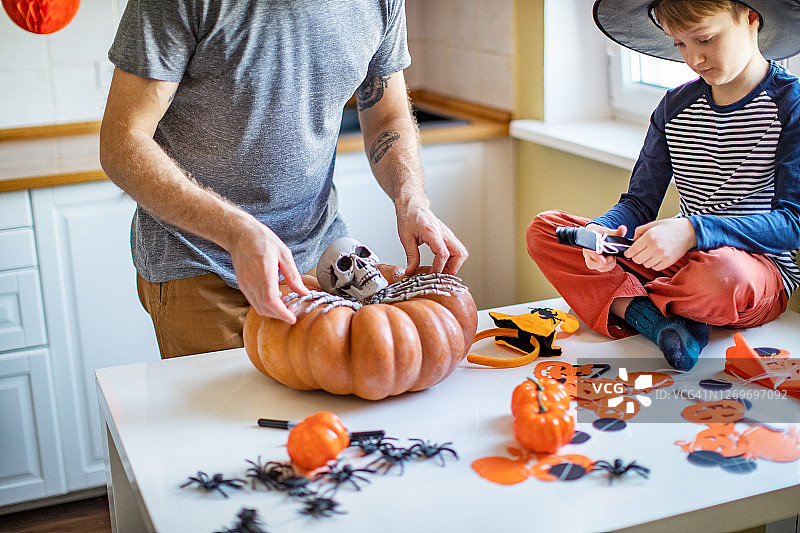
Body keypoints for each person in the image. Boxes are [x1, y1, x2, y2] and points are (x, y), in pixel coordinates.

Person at [99, 0, 467, 359]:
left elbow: (387, 116)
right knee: (232, 419)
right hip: (204, 264)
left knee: (322, 413)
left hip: (322, 257)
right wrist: (236, 230)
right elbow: (123, 142)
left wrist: (411, 201)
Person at [527, 0, 800, 371]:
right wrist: (602, 232)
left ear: (751, 19)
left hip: (752, 271)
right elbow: (639, 203)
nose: (695, 58)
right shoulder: (675, 106)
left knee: (721, 276)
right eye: (680, 44)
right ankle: (661, 323)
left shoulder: (790, 104)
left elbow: (791, 224)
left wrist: (692, 230)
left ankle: (636, 305)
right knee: (546, 230)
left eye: (705, 38)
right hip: (678, 263)